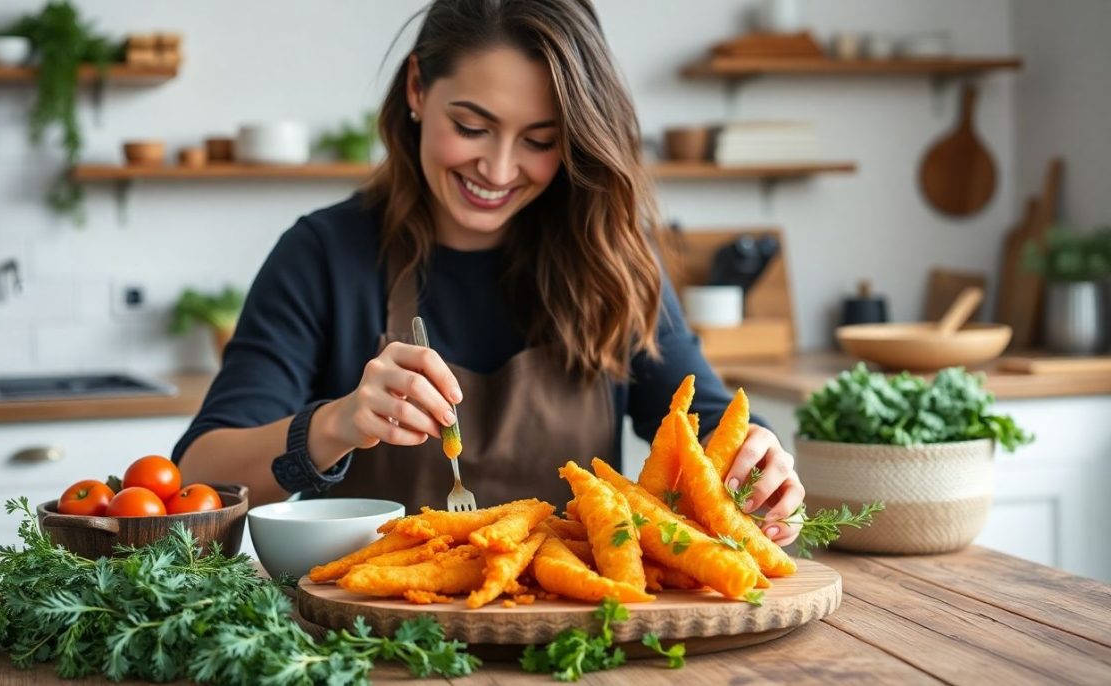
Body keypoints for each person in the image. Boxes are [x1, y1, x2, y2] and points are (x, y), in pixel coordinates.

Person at [174, 0, 805, 546]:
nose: (499, 171)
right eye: (472, 127)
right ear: (418, 89)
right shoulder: (322, 255)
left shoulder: (611, 256)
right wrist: (338, 425)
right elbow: (199, 474)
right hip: (376, 646)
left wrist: (761, 469)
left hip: (581, 639)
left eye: (539, 140)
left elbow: (713, 424)